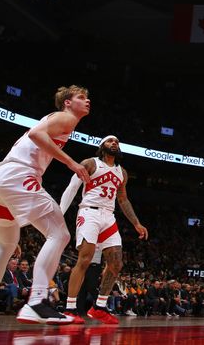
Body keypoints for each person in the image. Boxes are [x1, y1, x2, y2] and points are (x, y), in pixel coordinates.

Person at [0, 85, 91, 324]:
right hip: (18, 176)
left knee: (7, 243)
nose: (87, 100)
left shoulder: (61, 122)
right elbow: (35, 135)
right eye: (81, 97)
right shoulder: (65, 117)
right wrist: (72, 163)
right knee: (59, 234)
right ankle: (37, 301)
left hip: (4, 178)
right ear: (68, 102)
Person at [59, 135, 149, 324]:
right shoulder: (90, 164)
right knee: (85, 259)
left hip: (109, 216)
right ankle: (70, 308)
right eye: (110, 141)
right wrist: (59, 214)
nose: (114, 143)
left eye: (117, 141)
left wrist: (136, 223)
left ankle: (99, 307)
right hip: (89, 213)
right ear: (102, 146)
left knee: (116, 263)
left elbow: (123, 200)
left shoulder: (122, 172)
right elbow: (72, 188)